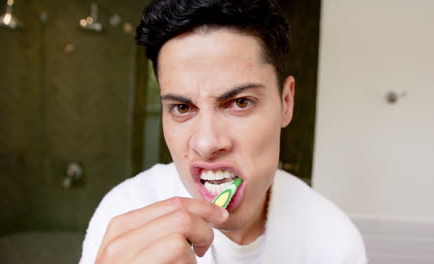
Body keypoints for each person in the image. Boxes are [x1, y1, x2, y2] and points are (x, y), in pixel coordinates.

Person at [79, 0, 367, 263]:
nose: (206, 143)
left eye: (240, 103)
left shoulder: (334, 243)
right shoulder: (124, 211)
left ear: (286, 102)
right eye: (182, 107)